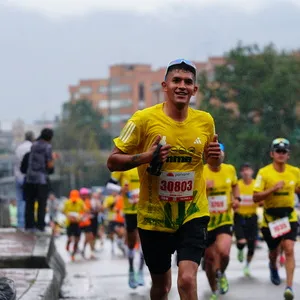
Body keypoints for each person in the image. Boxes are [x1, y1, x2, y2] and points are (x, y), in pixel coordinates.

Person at [107, 59, 222, 300]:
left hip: (193, 212)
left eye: (188, 82)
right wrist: (147, 156)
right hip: (153, 218)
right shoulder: (142, 119)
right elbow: (112, 161)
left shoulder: (205, 121)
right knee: (161, 287)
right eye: (176, 81)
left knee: (188, 279)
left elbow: (211, 163)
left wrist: (216, 159)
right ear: (165, 86)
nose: (182, 86)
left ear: (195, 89)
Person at [253, 138, 300, 300]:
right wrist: (272, 189)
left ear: (288, 155)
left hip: (289, 216)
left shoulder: (295, 172)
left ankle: (289, 287)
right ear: (272, 154)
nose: (281, 154)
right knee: (274, 252)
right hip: (270, 219)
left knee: (289, 248)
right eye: (278, 151)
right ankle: (273, 266)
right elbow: (255, 197)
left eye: (284, 152)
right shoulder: (264, 173)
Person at [203, 144, 240, 300]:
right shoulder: (201, 171)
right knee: (210, 259)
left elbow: (235, 184)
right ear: (207, 156)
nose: (217, 156)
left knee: (224, 252)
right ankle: (213, 289)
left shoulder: (229, 169)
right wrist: (204, 187)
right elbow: (191, 193)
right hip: (205, 221)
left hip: (224, 219)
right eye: (214, 154)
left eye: (219, 153)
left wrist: (237, 198)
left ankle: (221, 272)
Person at [110, 168, 145, 289]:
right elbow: (109, 184)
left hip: (146, 209)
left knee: (145, 242)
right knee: (131, 243)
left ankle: (140, 271)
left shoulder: (146, 158)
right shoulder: (124, 164)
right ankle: (131, 270)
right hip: (130, 211)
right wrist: (120, 189)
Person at [24, 128, 58, 232]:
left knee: (29, 202)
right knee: (41, 203)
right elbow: (49, 163)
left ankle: (29, 225)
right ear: (50, 137)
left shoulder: (33, 145)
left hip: (30, 178)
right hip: (41, 179)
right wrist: (53, 159)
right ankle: (40, 226)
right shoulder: (47, 146)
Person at [234, 163, 259, 276]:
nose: (246, 172)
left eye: (248, 170)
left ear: (252, 172)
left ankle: (247, 265)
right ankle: (240, 249)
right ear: (240, 173)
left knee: (251, 246)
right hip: (239, 217)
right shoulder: (237, 185)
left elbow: (261, 199)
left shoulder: (256, 185)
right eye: (243, 170)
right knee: (241, 241)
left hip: (252, 217)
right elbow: (232, 198)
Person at [14, 131, 34, 228]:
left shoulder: (19, 148)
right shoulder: (32, 147)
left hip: (18, 176)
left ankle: (20, 224)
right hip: (28, 178)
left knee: (20, 201)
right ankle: (28, 223)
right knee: (29, 201)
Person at [63, 190, 86, 262]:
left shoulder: (80, 202)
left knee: (77, 240)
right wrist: (68, 216)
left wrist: (81, 217)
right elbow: (63, 211)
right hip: (69, 223)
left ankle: (73, 254)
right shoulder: (67, 202)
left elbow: (85, 211)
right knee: (70, 239)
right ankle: (68, 244)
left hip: (77, 223)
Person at [103, 189, 126, 255]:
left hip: (120, 219)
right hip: (111, 218)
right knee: (111, 234)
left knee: (121, 232)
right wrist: (113, 203)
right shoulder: (108, 198)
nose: (114, 192)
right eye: (113, 191)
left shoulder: (120, 198)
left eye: (115, 191)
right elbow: (105, 206)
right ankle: (112, 246)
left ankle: (119, 243)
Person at [79, 188, 95, 259]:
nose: (85, 196)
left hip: (86, 222)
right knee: (77, 238)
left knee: (90, 237)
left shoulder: (88, 201)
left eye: (86, 195)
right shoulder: (78, 201)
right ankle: (76, 250)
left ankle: (90, 252)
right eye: (83, 195)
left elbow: (90, 210)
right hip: (78, 222)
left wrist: (90, 213)